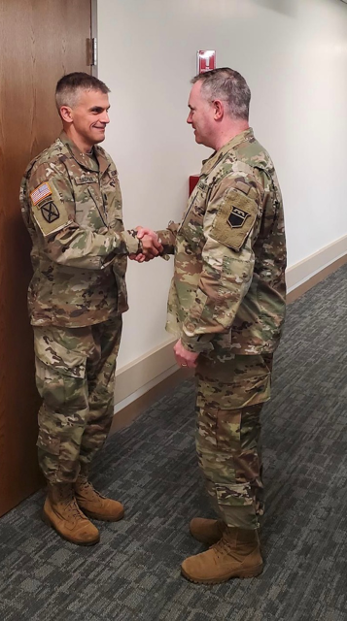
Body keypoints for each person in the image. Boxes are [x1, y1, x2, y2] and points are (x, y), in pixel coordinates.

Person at [136, 68, 286, 583]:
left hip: (236, 339)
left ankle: (242, 547)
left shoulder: (240, 173)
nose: (187, 116)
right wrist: (162, 238)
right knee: (226, 435)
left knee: (228, 442)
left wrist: (193, 337)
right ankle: (232, 522)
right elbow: (206, 236)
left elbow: (226, 273)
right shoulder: (231, 164)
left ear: (218, 110)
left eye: (192, 107)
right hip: (235, 335)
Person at [20, 72, 161, 546]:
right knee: (65, 410)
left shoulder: (104, 163)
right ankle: (57, 498)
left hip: (104, 308)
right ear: (68, 113)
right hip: (64, 317)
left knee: (99, 407)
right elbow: (62, 244)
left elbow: (106, 233)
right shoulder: (47, 172)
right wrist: (125, 242)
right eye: (95, 110)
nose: (105, 118)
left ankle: (80, 481)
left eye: (107, 109)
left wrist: (130, 246)